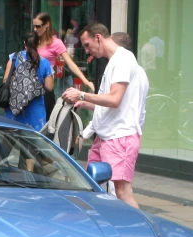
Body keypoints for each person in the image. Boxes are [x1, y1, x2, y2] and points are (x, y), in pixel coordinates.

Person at [62, 23, 149, 209]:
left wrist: (82, 95)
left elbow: (115, 99)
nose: (87, 51)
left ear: (98, 38)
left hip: (119, 136)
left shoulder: (124, 60)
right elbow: (112, 103)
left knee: (122, 191)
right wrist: (85, 103)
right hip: (105, 136)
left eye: (87, 44)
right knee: (95, 186)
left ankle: (139, 230)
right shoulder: (115, 61)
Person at [33, 12, 95, 119]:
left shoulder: (56, 43)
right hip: (29, 85)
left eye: (38, 26)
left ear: (47, 25)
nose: (35, 29)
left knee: (46, 119)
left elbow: (70, 63)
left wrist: (85, 81)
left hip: (45, 87)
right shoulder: (33, 41)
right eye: (34, 26)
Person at [2, 31, 54, 131]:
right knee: (35, 142)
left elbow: (5, 81)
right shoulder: (44, 62)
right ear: (38, 42)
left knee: (10, 142)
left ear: (24, 43)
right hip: (36, 110)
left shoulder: (14, 58)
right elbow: (49, 87)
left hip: (14, 107)